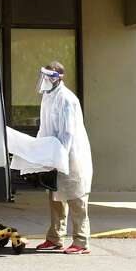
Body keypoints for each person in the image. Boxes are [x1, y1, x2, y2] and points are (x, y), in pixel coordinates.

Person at [34, 62, 94, 255]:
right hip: (54, 154)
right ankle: (54, 238)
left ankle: (81, 241)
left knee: (76, 199)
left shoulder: (67, 99)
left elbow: (68, 132)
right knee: (55, 198)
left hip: (72, 156)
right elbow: (44, 128)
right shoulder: (47, 97)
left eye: (47, 77)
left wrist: (60, 155)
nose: (43, 81)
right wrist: (39, 150)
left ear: (56, 77)